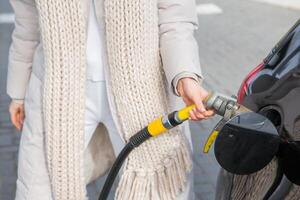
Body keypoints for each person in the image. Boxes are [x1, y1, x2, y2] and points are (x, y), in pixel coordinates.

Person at [7, 0, 214, 199]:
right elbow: (28, 23)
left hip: (144, 88)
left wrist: (185, 74)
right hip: (56, 89)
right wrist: (19, 91)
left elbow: (175, 16)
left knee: (159, 185)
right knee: (39, 186)